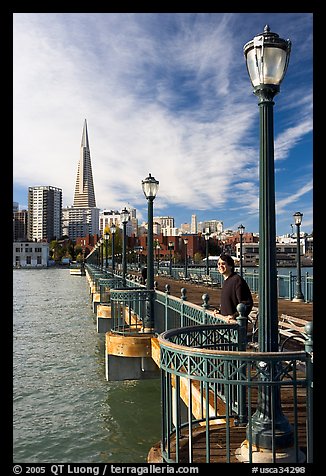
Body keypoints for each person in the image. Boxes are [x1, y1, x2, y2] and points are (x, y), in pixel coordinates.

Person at [213, 253, 253, 323]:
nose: (220, 266)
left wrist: (234, 316)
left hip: (235, 325)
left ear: (230, 266)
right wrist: (220, 312)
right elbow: (229, 303)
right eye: (219, 264)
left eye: (223, 264)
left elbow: (247, 303)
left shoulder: (237, 280)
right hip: (225, 324)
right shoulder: (226, 281)